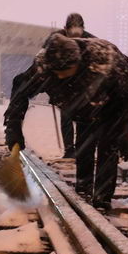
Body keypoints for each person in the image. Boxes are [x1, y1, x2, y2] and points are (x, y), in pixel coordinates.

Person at [5, 34, 128, 211]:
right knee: (84, 146)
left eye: (66, 70)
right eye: (57, 72)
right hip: (81, 108)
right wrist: (13, 125)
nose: (61, 76)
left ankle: (102, 200)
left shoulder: (106, 59)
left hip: (112, 106)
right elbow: (20, 91)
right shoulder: (44, 67)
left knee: (108, 149)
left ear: (78, 62)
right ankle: (83, 191)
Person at [42, 13, 95, 159]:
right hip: (62, 85)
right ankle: (69, 150)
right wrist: (51, 90)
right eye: (72, 34)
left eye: (79, 33)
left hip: (82, 87)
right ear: (65, 29)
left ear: (83, 29)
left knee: (83, 119)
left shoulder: (91, 41)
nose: (75, 38)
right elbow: (45, 64)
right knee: (66, 118)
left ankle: (82, 150)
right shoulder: (54, 41)